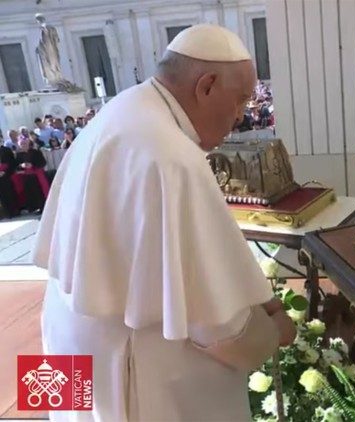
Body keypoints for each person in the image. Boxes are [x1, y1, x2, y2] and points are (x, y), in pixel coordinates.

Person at [32, 24, 296, 421]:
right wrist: (274, 334)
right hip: (135, 370)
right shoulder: (172, 156)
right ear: (206, 85)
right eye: (240, 100)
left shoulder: (120, 110)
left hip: (64, 336)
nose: (241, 116)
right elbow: (221, 326)